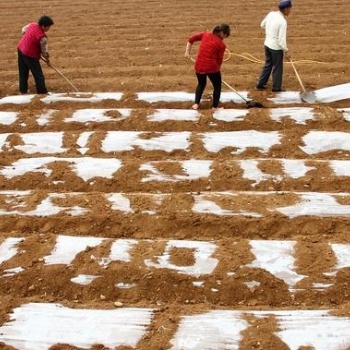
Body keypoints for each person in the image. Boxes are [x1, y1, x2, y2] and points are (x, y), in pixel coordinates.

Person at [185, 23, 231, 110]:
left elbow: (191, 39)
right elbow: (219, 61)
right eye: (226, 36)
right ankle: (214, 107)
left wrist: (187, 52)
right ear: (222, 33)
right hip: (212, 67)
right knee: (217, 85)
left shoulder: (205, 34)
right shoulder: (221, 45)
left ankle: (196, 104)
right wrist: (217, 72)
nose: (225, 38)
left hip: (199, 66)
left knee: (201, 84)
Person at [256, 0, 292, 92]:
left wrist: (270, 30)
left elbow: (262, 25)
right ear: (286, 9)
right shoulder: (282, 22)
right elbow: (281, 40)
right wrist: (286, 51)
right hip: (276, 48)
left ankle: (260, 84)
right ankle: (276, 87)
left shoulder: (271, 14)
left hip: (267, 44)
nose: (290, 11)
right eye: (290, 9)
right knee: (277, 67)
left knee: (268, 64)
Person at [17, 15, 54, 94]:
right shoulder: (42, 37)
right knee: (38, 75)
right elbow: (44, 51)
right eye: (49, 27)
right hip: (30, 55)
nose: (49, 28)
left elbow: (23, 30)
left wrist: (28, 39)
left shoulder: (32, 25)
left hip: (20, 49)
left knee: (23, 72)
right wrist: (47, 60)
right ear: (43, 26)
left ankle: (22, 91)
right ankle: (42, 92)